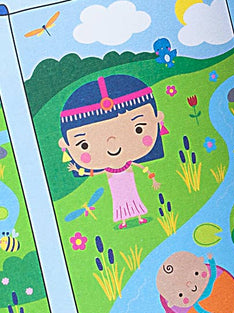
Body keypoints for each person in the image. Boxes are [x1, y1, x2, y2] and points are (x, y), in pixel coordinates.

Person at [58, 74, 166, 228]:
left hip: (129, 183)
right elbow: (94, 173)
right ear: (66, 145)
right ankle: (123, 221)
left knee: (133, 197)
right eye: (84, 145)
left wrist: (153, 179)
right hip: (116, 187)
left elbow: (142, 167)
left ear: (158, 118)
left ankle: (139, 216)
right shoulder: (108, 170)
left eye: (139, 129)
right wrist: (77, 169)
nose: (113, 146)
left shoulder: (127, 164)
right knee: (119, 201)